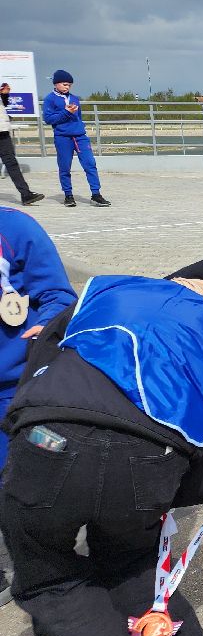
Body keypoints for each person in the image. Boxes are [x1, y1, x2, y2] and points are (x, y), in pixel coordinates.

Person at [0, 256, 203, 636]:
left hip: (48, 435)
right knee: (134, 563)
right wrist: (169, 492)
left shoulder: (104, 290)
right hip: (147, 454)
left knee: (51, 580)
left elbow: (40, 359)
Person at [0, 206, 76, 607]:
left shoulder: (13, 227)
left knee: (27, 479)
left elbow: (58, 295)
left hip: (14, 386)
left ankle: (45, 567)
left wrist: (48, 323)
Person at [42, 70, 108, 208]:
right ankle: (68, 195)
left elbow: (79, 116)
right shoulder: (49, 99)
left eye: (70, 85)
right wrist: (66, 112)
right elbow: (48, 119)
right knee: (65, 167)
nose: (67, 87)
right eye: (65, 84)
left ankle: (96, 194)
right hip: (62, 137)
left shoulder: (75, 98)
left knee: (90, 163)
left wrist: (79, 125)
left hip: (80, 136)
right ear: (56, 83)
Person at [0, 84, 43, 206]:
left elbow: (4, 104)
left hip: (2, 131)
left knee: (11, 163)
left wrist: (4, 95)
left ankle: (26, 195)